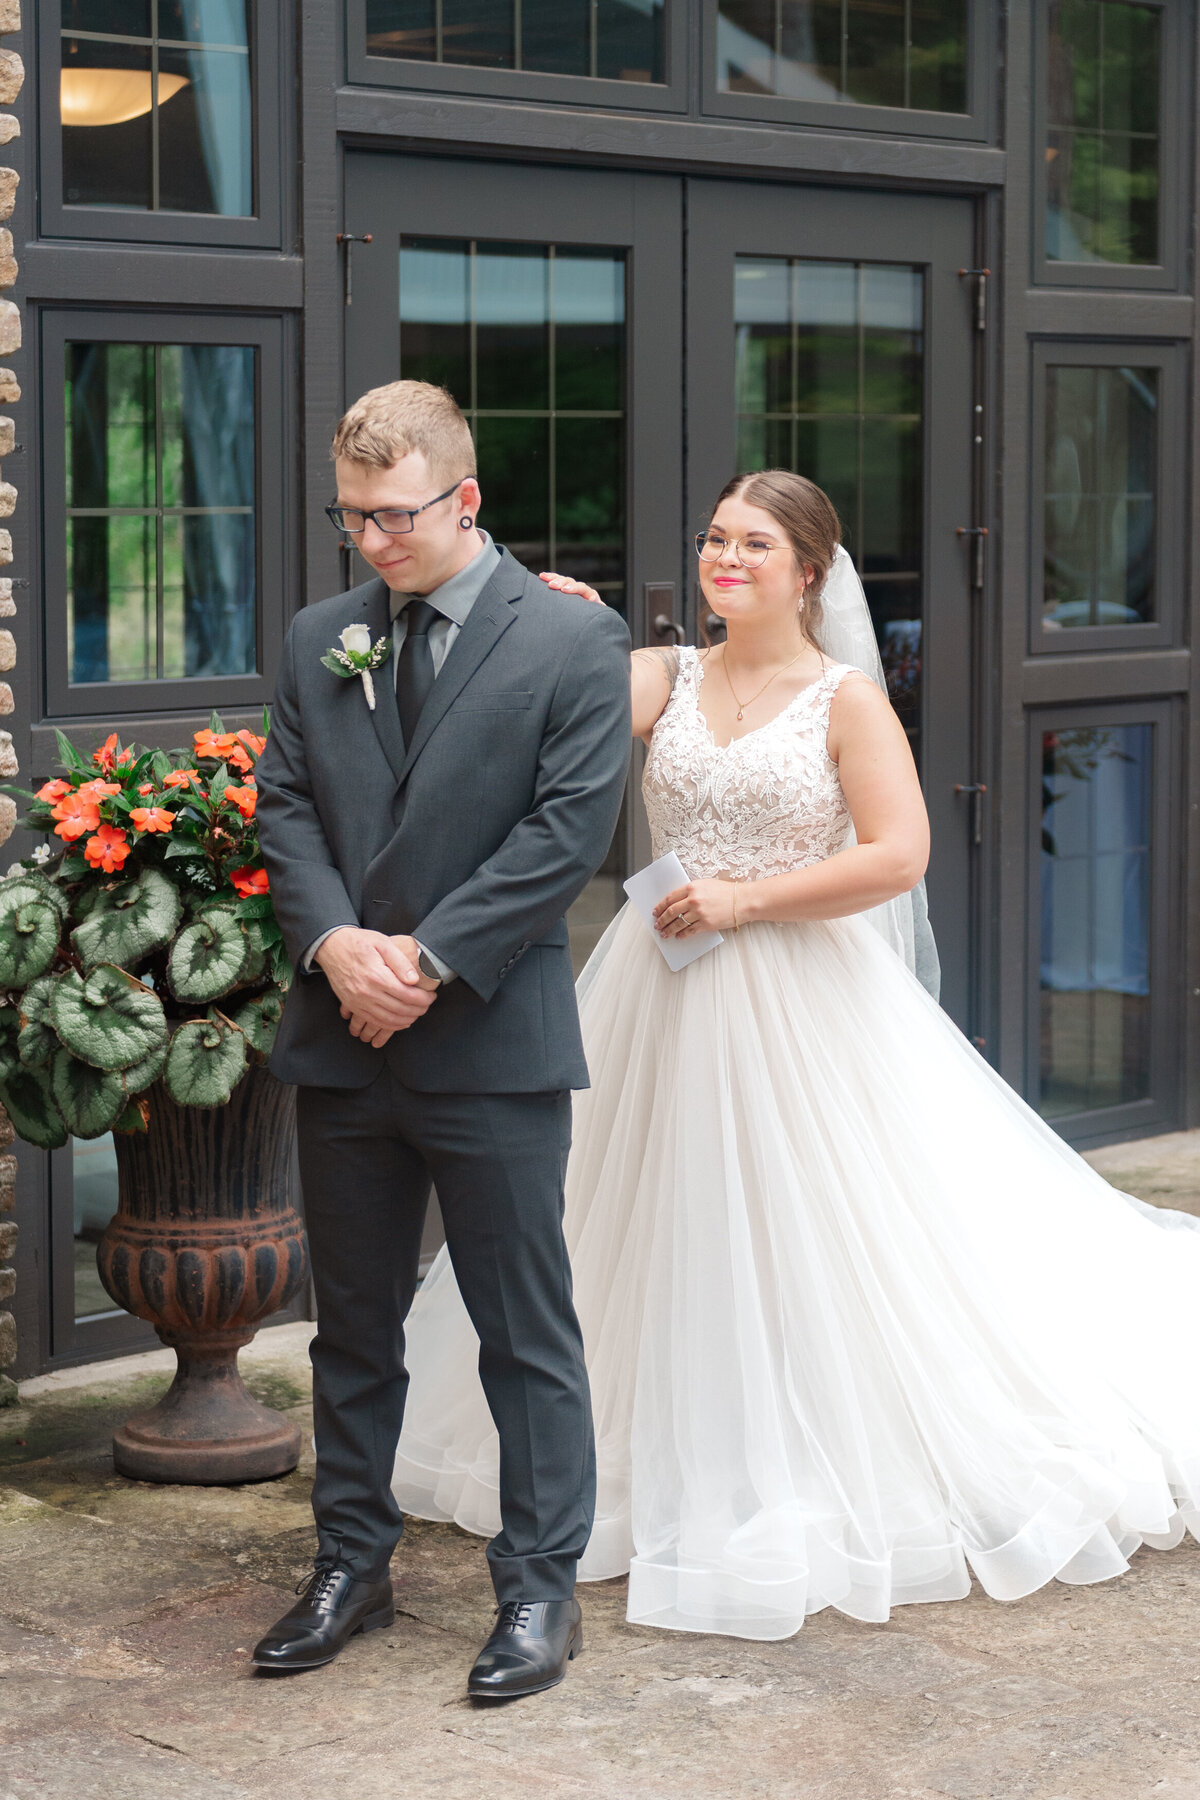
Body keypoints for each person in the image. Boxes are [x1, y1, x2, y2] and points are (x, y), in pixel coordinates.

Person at [391, 468, 1200, 1642]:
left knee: (809, 1223)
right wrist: (534, 603)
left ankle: (794, 1447)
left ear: (808, 570)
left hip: (797, 990)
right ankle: (621, 1446)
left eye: (754, 545)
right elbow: (534, 694)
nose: (726, 560)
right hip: (653, 989)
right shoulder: (664, 674)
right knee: (635, 1212)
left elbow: (899, 855)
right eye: (716, 539)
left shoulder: (843, 700)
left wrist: (748, 900)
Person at [251, 380, 631, 1698]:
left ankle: (538, 1591)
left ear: (466, 498)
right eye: (352, 518)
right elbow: (285, 809)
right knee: (352, 1327)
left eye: (395, 516)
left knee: (525, 1330)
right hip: (341, 1037)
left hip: (491, 1041)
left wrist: (425, 958)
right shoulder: (318, 640)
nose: (372, 543)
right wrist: (333, 944)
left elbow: (566, 834)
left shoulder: (574, 643)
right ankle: (350, 1566)